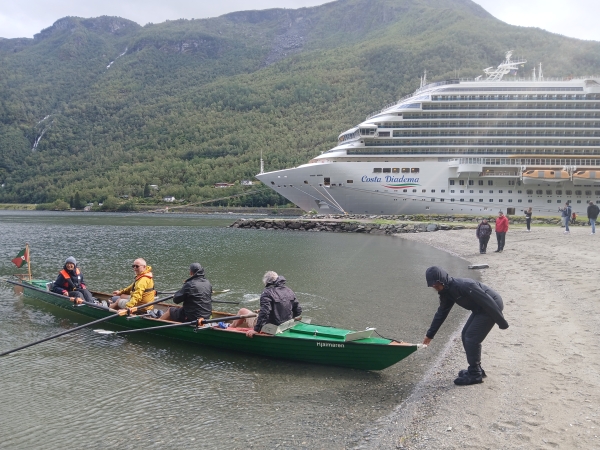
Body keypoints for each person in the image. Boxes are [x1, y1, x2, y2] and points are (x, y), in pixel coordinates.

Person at [423, 266, 509, 385]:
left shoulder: (464, 285)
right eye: (432, 285)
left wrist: (502, 322)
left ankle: (475, 375)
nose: (435, 287)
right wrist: (430, 335)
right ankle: (476, 369)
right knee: (465, 334)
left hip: (491, 306)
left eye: (436, 284)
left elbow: (488, 302)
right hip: (479, 309)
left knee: (471, 338)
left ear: (443, 280)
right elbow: (441, 313)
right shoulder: (446, 292)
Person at [235, 271, 302, 338]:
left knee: (242, 311)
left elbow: (265, 312)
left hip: (270, 327)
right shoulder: (289, 290)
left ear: (266, 282)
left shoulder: (266, 292)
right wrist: (290, 322)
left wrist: (256, 330)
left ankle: (228, 328)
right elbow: (298, 310)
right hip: (286, 325)